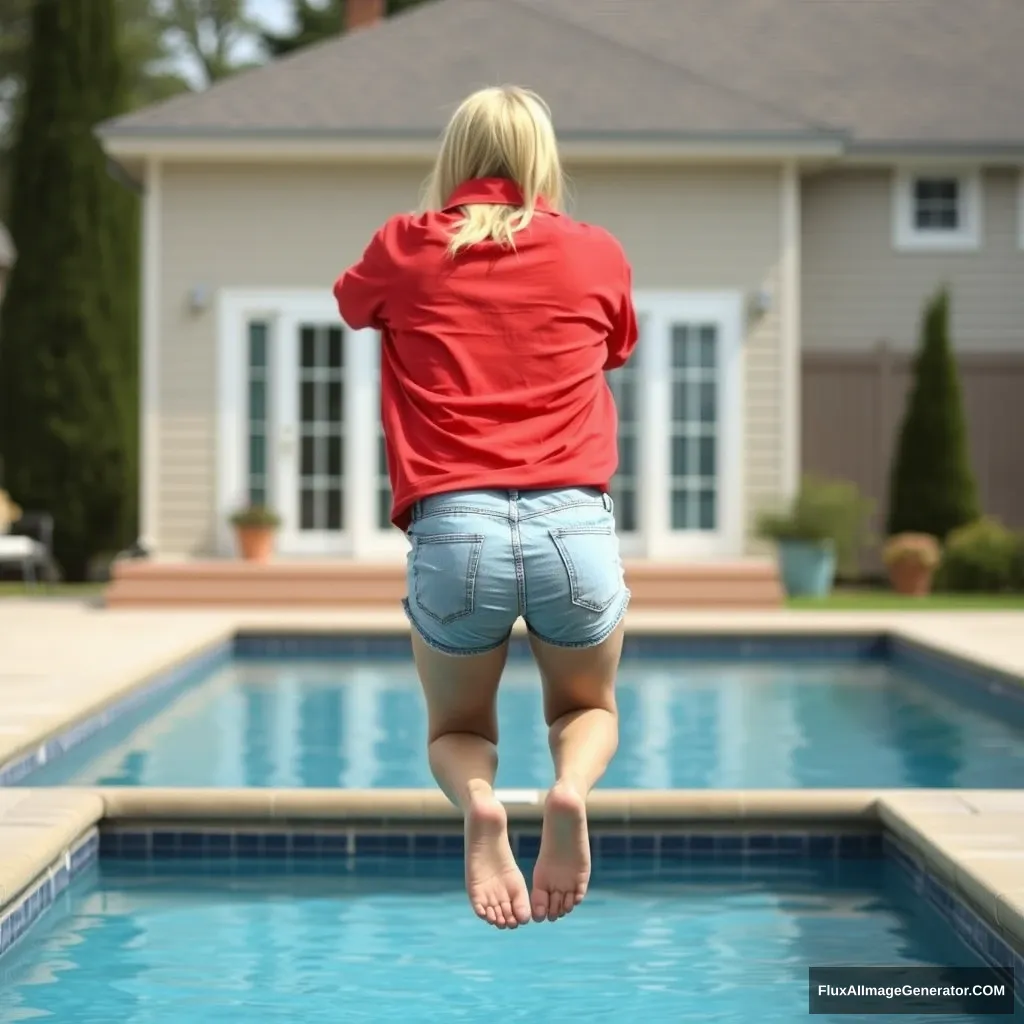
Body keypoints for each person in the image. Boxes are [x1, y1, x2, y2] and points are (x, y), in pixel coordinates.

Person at [333, 85, 638, 930]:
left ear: (456, 157)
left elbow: (353, 305)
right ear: (542, 158)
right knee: (586, 709)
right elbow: (617, 344)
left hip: (455, 527)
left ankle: (481, 806)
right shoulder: (596, 252)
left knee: (458, 727)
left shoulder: (404, 244)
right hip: (572, 526)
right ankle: (569, 792)